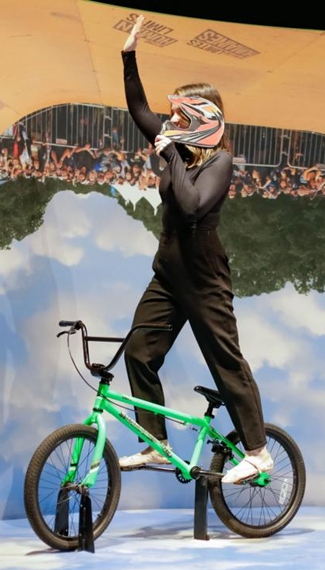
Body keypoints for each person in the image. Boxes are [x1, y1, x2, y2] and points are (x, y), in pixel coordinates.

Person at [117, 15, 273, 485]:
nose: (172, 122)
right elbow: (139, 109)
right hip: (168, 273)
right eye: (176, 115)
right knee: (139, 354)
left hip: (204, 278)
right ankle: (155, 443)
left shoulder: (220, 161)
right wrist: (128, 56)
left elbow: (189, 208)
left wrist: (168, 154)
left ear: (207, 117)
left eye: (185, 115)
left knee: (226, 362)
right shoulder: (178, 150)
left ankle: (259, 450)